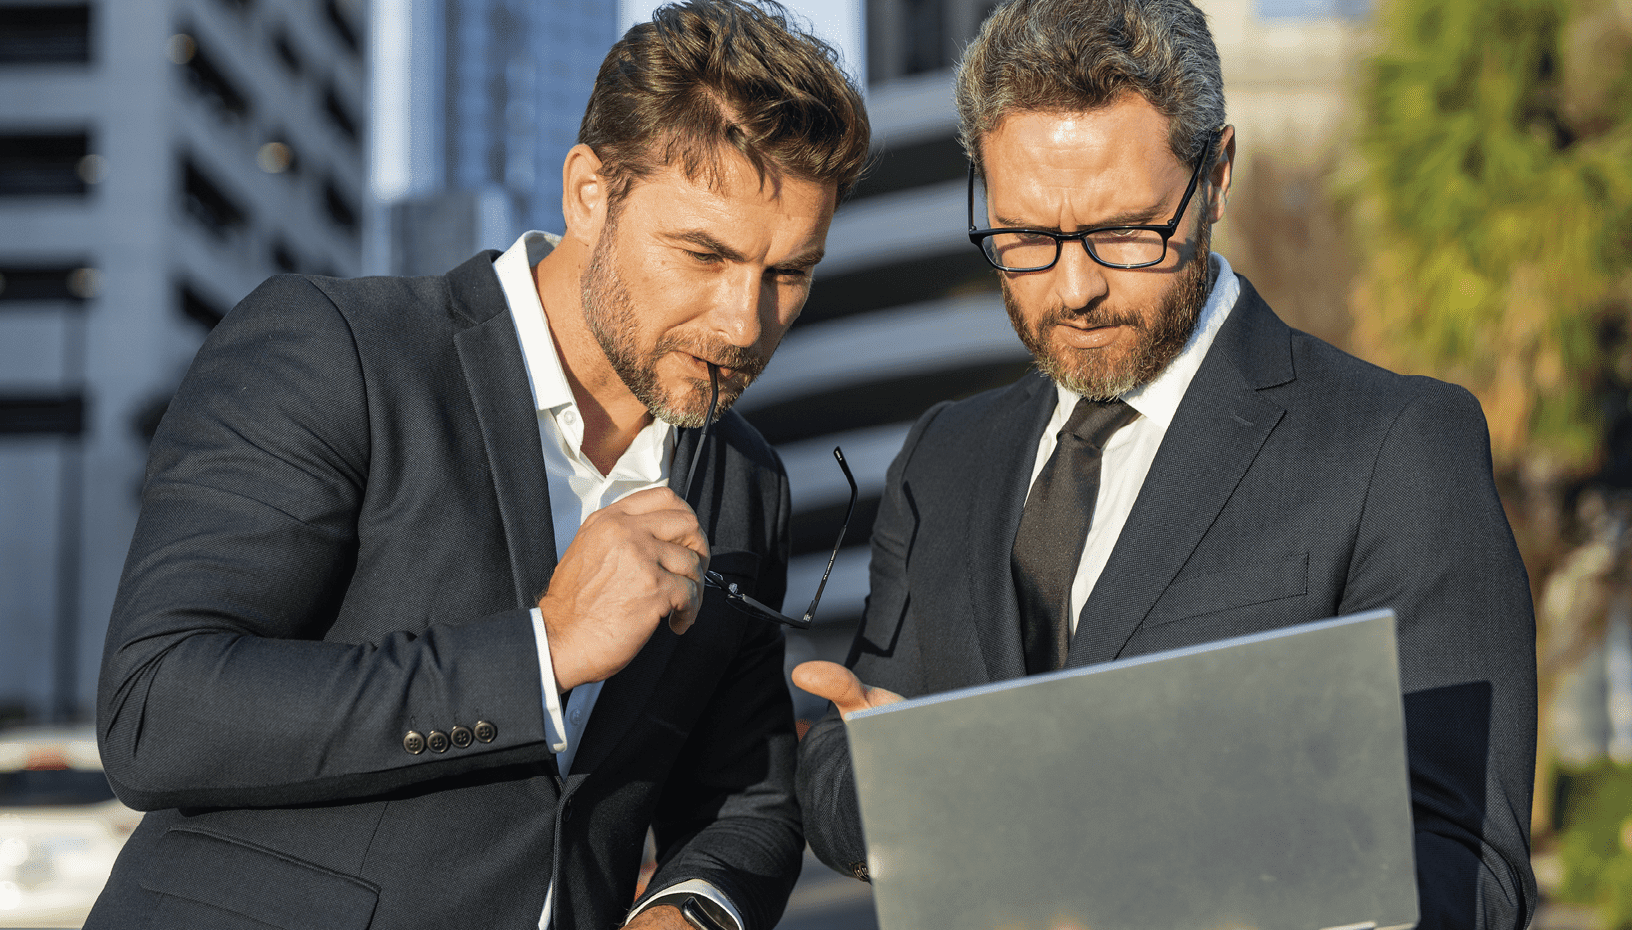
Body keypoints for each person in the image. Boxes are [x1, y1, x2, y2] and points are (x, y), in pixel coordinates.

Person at [84, 3, 869, 929]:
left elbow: (742, 797)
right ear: (589, 193)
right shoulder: (338, 348)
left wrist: (693, 908)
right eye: (703, 253)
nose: (746, 323)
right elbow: (156, 709)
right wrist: (544, 652)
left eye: (789, 273)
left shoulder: (744, 479)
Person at [791, 0, 1537, 927]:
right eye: (1024, 236)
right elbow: (852, 741)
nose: (1074, 288)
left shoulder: (1394, 446)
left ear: (1216, 177)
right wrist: (893, 792)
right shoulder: (943, 456)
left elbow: (1468, 870)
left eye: (1125, 232)